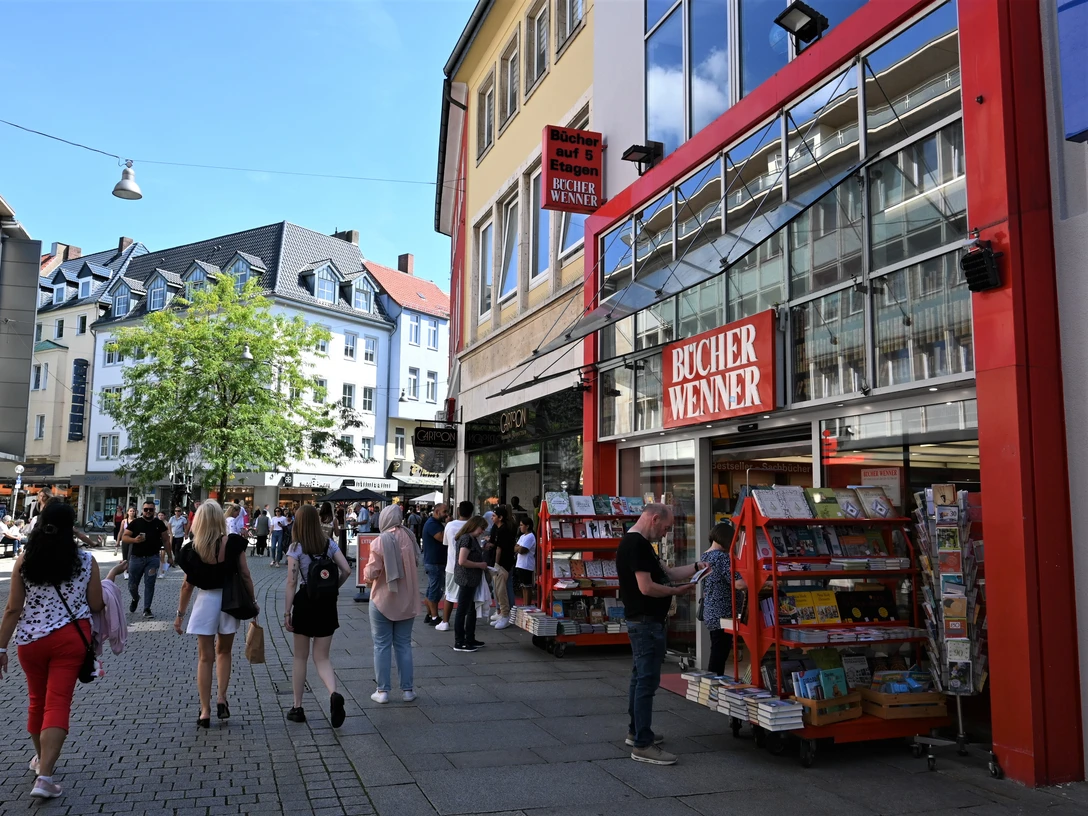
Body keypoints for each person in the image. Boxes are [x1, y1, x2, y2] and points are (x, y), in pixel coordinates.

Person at [0, 502, 105, 800]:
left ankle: (41, 761)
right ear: (71, 526)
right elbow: (96, 605)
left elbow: (12, 609)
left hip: (31, 642)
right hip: (71, 639)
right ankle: (45, 774)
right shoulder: (86, 561)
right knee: (57, 702)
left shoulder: (25, 560)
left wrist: (0, 648)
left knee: (37, 701)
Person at [617, 503, 705, 766]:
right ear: (654, 519)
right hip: (646, 623)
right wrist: (676, 593)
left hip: (643, 622)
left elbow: (668, 574)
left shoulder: (639, 544)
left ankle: (637, 732)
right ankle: (643, 744)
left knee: (639, 678)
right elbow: (647, 588)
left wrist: (698, 566)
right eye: (665, 528)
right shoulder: (638, 546)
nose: (665, 534)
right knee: (646, 681)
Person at [174, 501, 256, 728]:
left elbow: (187, 587)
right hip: (230, 602)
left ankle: (204, 711)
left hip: (205, 603)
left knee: (204, 657)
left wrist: (180, 615)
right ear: (220, 519)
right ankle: (221, 698)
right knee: (225, 652)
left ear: (199, 521)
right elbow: (246, 575)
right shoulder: (233, 543)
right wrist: (253, 603)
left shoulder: (191, 549)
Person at [284, 505, 352, 725]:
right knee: (322, 657)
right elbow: (347, 570)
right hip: (326, 605)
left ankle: (297, 707)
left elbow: (291, 581)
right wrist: (334, 588)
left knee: (300, 657)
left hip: (305, 603)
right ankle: (333, 693)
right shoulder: (328, 544)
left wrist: (287, 612)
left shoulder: (296, 547)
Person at [363, 505, 421, 703]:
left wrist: (365, 576)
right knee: (404, 644)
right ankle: (408, 691)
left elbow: (371, 572)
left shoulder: (380, 541)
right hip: (408, 599)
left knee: (381, 645)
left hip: (383, 599)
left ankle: (382, 691)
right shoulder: (410, 537)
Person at [700, 521, 737, 676]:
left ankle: (712, 683)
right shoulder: (722, 558)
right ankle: (713, 685)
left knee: (716, 649)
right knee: (720, 653)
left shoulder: (705, 556)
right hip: (723, 612)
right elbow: (738, 583)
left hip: (710, 610)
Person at [122, 501, 170, 618]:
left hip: (152, 558)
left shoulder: (159, 523)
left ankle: (147, 609)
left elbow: (166, 540)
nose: (148, 512)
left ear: (155, 511)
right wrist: (134, 540)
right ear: (142, 510)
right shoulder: (136, 523)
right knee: (132, 585)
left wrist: (171, 556)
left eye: (151, 510)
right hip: (136, 558)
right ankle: (135, 597)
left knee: (150, 583)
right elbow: (124, 537)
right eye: (146, 509)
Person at [452, 516, 489, 653]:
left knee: (470, 609)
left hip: (471, 578)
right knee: (463, 610)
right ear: (474, 526)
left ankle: (469, 638)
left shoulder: (470, 538)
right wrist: (480, 565)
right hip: (466, 578)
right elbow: (462, 561)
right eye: (482, 528)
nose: (482, 531)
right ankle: (460, 641)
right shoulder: (466, 539)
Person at [435, 501, 473, 632]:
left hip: (452, 565)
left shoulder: (450, 525)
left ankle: (445, 621)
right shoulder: (473, 526)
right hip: (469, 566)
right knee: (468, 597)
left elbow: (446, 543)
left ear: (458, 512)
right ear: (471, 512)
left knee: (450, 594)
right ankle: (468, 623)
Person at [489, 505, 516, 629]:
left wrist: (496, 564)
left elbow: (499, 548)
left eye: (494, 516)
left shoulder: (503, 530)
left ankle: (505, 615)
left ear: (500, 517)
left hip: (503, 564)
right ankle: (502, 614)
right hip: (503, 563)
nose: (492, 518)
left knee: (501, 590)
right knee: (498, 590)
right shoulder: (500, 528)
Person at [420, 504, 447, 625]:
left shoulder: (434, 523)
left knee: (432, 589)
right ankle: (435, 617)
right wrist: (450, 525)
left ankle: (430, 614)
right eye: (444, 511)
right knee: (435, 591)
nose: (447, 514)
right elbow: (442, 538)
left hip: (435, 561)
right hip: (434, 562)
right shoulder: (432, 524)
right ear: (437, 511)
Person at [513, 517, 537, 606]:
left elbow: (523, 550)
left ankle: (527, 604)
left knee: (527, 586)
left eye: (522, 525)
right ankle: (524, 604)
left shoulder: (530, 536)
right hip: (520, 564)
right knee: (522, 585)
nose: (520, 527)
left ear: (527, 526)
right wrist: (517, 548)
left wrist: (518, 548)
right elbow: (515, 547)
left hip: (526, 564)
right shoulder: (522, 536)